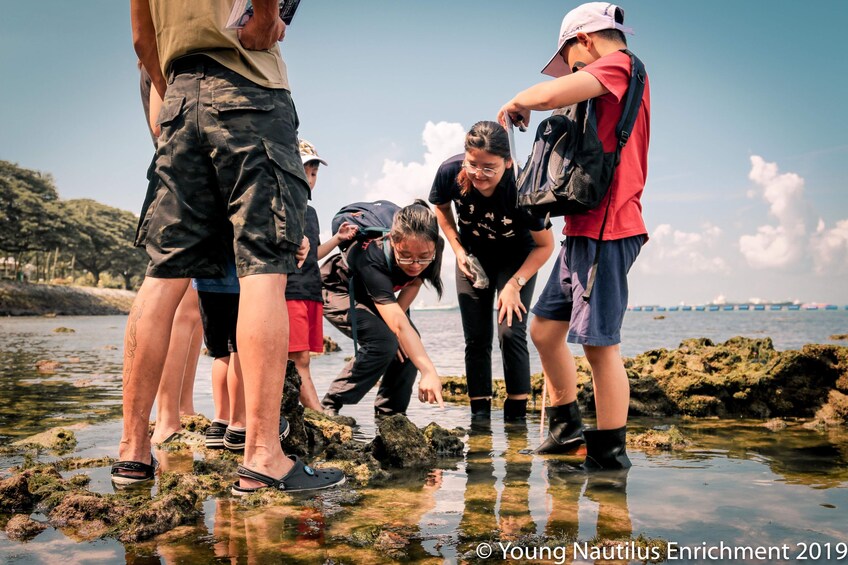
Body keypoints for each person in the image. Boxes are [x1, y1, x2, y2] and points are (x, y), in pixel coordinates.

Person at [114, 0, 344, 494]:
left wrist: (173, 91)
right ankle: (263, 456)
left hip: (175, 100)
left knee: (163, 274)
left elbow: (140, 38)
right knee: (264, 266)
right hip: (248, 89)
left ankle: (133, 453)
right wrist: (265, 17)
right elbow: (261, 22)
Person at [498, 2, 650, 469]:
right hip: (582, 233)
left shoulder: (621, 65)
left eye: (571, 62)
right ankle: (566, 431)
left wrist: (517, 100)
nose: (571, 73)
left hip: (609, 229)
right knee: (544, 330)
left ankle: (610, 453)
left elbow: (548, 95)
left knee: (600, 347)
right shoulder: (605, 78)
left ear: (584, 40)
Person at [429, 121, 554, 422]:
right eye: (473, 165)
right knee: (476, 338)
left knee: (510, 332)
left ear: (508, 163)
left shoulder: (524, 187)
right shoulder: (450, 172)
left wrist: (515, 284)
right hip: (474, 257)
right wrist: (459, 251)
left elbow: (545, 247)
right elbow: (441, 209)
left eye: (490, 168)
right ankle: (480, 422)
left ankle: (516, 421)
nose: (479, 175)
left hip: (518, 257)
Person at [321, 201, 446, 417]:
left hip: (380, 294)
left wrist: (400, 328)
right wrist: (428, 371)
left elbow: (415, 282)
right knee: (384, 342)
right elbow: (397, 324)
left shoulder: (432, 247)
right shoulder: (371, 254)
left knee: (408, 344)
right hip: (339, 289)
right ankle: (331, 403)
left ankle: (390, 415)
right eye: (405, 255)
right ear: (392, 240)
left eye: (423, 257)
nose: (415, 264)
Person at [138, 63, 204, 446]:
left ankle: (183, 405)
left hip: (187, 176)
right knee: (184, 304)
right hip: (183, 178)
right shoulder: (164, 58)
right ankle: (165, 416)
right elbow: (161, 129)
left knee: (195, 309)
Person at [285, 140, 358, 411]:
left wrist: (338, 239)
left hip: (310, 292)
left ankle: (301, 412)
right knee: (298, 358)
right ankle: (318, 413)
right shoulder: (284, 206)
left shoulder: (310, 211)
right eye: (305, 170)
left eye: (314, 173)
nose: (310, 178)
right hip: (290, 291)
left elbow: (312, 253)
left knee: (302, 358)